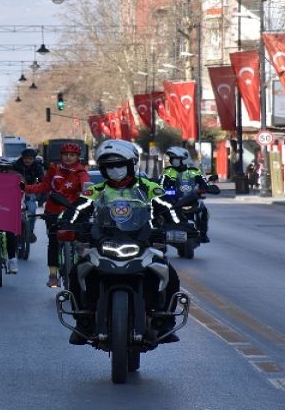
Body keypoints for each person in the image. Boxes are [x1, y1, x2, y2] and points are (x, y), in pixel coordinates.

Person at [66, 139, 182, 345]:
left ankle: (165, 321)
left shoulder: (149, 188)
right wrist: (65, 223)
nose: (114, 169)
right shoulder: (95, 190)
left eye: (119, 164)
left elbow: (168, 208)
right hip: (104, 243)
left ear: (131, 164)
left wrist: (180, 225)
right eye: (109, 166)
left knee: (170, 275)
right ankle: (82, 321)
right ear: (102, 168)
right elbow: (76, 209)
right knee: (76, 273)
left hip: (143, 243)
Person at [24, 142, 90, 288]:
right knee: (53, 241)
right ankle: (53, 275)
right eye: (65, 154)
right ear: (61, 156)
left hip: (73, 211)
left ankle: (82, 263)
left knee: (81, 239)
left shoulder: (81, 172)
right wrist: (25, 188)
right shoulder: (54, 170)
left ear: (77, 157)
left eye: (72, 155)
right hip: (53, 210)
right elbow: (44, 186)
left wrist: (88, 192)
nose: (68, 157)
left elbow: (87, 189)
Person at [158, 146, 214, 243]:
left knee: (203, 209)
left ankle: (203, 234)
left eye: (175, 159)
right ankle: (159, 236)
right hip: (174, 200)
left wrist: (205, 188)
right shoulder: (168, 171)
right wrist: (161, 190)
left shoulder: (194, 171)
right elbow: (161, 184)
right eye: (172, 158)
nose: (172, 160)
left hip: (190, 198)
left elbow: (203, 182)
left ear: (183, 159)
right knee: (159, 211)